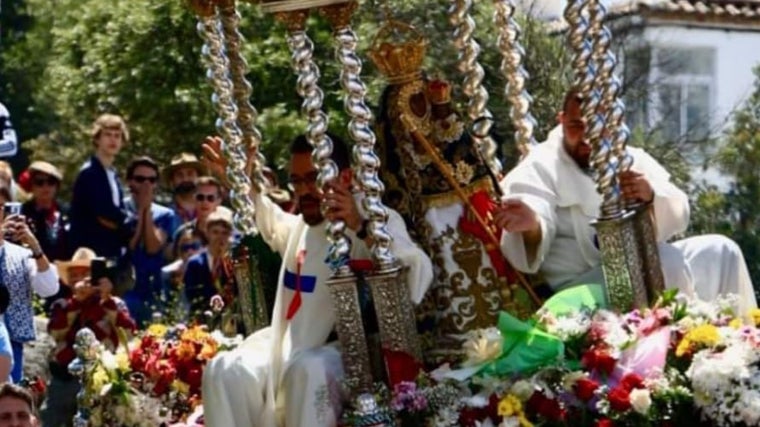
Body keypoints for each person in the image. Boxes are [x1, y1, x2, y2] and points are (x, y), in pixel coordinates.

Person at [200, 133, 433, 427]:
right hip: (286, 345)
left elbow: (418, 273)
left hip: (350, 356)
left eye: (313, 178)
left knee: (306, 371)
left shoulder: (373, 217)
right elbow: (271, 223)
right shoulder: (303, 226)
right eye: (296, 181)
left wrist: (360, 227)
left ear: (345, 176)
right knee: (225, 369)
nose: (304, 190)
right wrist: (239, 179)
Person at [497, 87, 757, 316]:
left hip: (635, 271)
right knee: (662, 260)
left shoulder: (629, 157)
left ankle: (742, 354)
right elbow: (533, 206)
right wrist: (532, 227)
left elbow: (679, 213)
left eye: (596, 127)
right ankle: (679, 351)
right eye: (576, 126)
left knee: (721, 250)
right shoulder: (542, 163)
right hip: (579, 292)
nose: (587, 139)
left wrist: (651, 194)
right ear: (561, 120)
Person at [42, 247, 135, 427]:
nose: (80, 279)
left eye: (85, 274)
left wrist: (106, 299)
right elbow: (55, 333)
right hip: (64, 379)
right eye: (74, 275)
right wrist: (77, 301)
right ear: (68, 280)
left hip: (103, 382)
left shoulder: (114, 304)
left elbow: (128, 334)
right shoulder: (62, 305)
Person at [0, 185, 60, 383]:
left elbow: (49, 288)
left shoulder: (21, 254)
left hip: (13, 344)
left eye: (3, 207)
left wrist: (34, 245)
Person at [123, 156, 176, 326]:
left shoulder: (165, 214)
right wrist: (141, 211)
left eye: (151, 180)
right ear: (130, 182)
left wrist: (146, 211)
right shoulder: (119, 209)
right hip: (124, 290)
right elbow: (129, 246)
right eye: (140, 179)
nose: (146, 184)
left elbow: (153, 247)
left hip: (153, 290)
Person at [69, 113, 128, 261]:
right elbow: (104, 213)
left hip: (110, 249)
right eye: (108, 135)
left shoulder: (113, 174)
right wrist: (132, 223)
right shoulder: (90, 173)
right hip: (91, 251)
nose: (113, 140)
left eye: (117, 135)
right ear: (97, 139)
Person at [21, 162, 71, 313]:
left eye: (51, 182)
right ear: (32, 185)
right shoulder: (23, 213)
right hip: (34, 279)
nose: (46, 187)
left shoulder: (67, 212)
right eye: (39, 182)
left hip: (64, 282)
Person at [183, 207, 237, 316]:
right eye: (215, 232)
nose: (220, 237)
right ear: (207, 233)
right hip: (202, 317)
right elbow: (191, 295)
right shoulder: (195, 263)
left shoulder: (234, 262)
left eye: (225, 233)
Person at [172, 176, 223, 243]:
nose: (205, 202)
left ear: (219, 201)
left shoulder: (228, 232)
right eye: (200, 197)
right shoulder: (182, 233)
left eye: (210, 198)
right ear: (194, 198)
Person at [163, 153, 206, 226]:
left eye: (190, 173)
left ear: (199, 178)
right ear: (172, 181)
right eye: (179, 175)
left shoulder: (213, 212)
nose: (185, 179)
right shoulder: (164, 214)